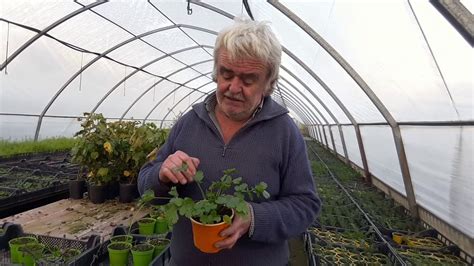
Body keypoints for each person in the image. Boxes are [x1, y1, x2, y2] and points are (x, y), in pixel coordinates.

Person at [138, 18, 321, 266]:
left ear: (268, 84)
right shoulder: (189, 123)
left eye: (248, 80)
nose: (234, 88)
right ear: (216, 72)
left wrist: (254, 218)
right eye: (226, 74)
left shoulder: (285, 133)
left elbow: (305, 206)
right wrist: (161, 174)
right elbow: (145, 185)